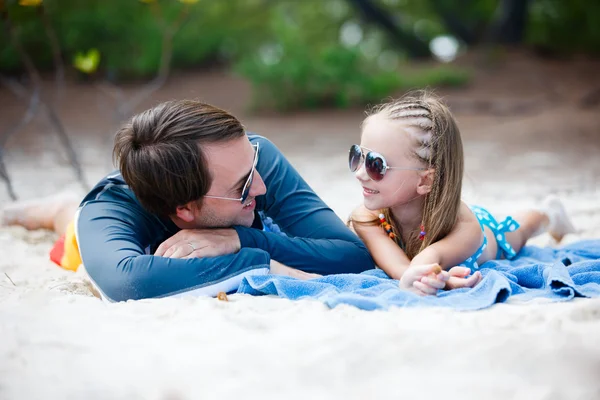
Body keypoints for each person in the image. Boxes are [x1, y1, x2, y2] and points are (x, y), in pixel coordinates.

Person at [2, 100, 468, 301]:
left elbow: (348, 252)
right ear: (185, 210)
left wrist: (240, 238)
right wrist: (252, 254)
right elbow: (128, 284)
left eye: (255, 169)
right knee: (70, 235)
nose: (262, 188)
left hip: (221, 227)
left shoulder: (256, 157)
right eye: (244, 187)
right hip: (92, 229)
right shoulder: (110, 211)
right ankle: (55, 207)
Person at [348, 90, 577, 295]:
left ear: (425, 180)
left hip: (488, 234)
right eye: (358, 156)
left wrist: (434, 279)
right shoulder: (367, 219)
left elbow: (426, 260)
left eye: (376, 165)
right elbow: (402, 269)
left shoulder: (465, 226)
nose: (360, 173)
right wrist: (442, 281)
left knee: (520, 230)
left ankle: (550, 215)